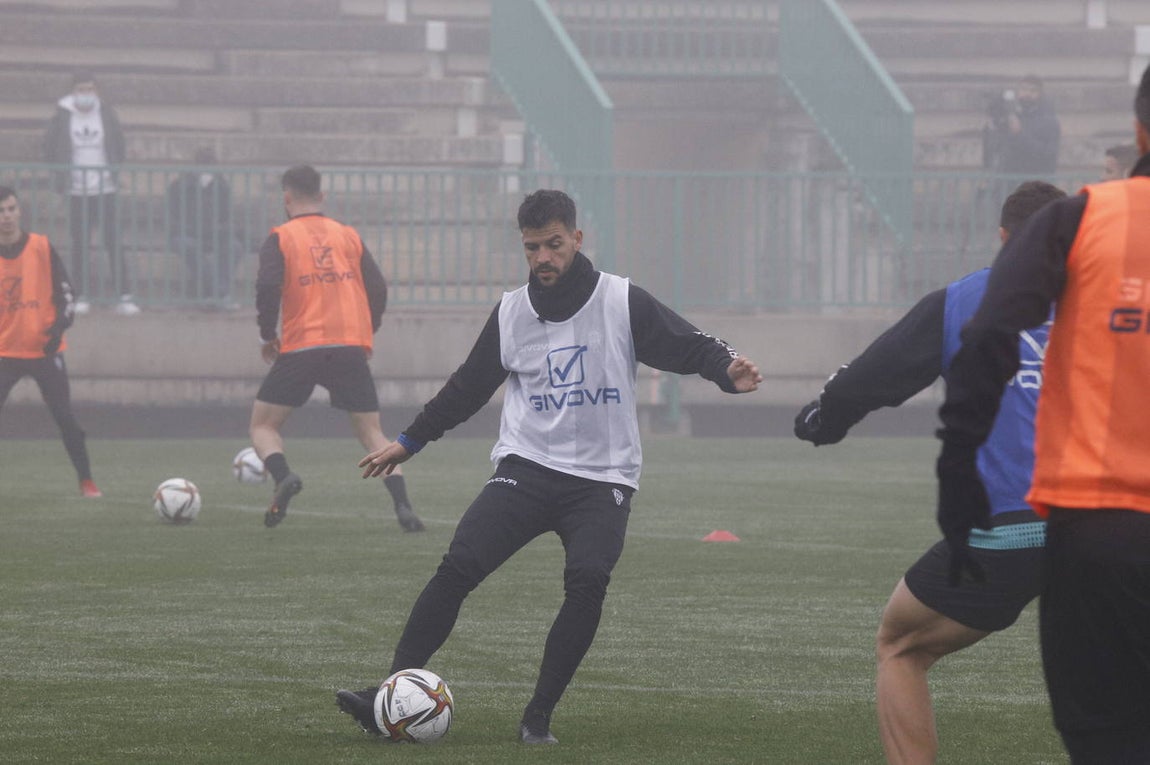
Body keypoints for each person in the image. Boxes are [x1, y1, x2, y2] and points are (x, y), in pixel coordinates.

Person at [333, 189, 763, 744]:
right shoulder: (512, 311)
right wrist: (410, 441)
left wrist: (728, 370)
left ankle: (538, 718)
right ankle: (388, 695)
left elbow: (689, 345)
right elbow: (467, 387)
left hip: (602, 479)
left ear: (576, 239)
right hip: (527, 469)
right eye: (533, 247)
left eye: (554, 244)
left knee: (587, 580)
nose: (543, 258)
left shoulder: (620, 300)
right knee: (458, 566)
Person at [794, 180, 1066, 764]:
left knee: (900, 644)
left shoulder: (964, 302)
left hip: (1010, 532)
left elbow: (868, 378)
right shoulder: (1120, 305)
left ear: (1002, 238)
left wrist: (824, 420)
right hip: (1109, 528)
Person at [936, 63, 1150, 763]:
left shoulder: (1081, 217)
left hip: (1100, 527)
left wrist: (958, 472)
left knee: (1106, 732)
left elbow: (990, 335)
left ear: (1138, 128)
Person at [250, 165, 422, 532]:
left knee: (263, 426)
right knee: (373, 434)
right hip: (348, 346)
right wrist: (367, 331)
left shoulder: (281, 237)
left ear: (286, 197)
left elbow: (267, 286)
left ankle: (283, 476)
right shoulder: (347, 235)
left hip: (302, 346)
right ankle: (403, 506)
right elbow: (378, 288)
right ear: (322, 196)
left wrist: (268, 333)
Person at [0, 185, 101, 498]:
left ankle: (87, 480)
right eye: (0, 211)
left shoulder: (41, 247)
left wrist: (59, 326)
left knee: (65, 418)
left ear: (19, 211)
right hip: (5, 352)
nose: (6, 217)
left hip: (45, 351)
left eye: (11, 209)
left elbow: (66, 292)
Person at [42, 70, 139, 317]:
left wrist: (114, 170)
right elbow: (51, 147)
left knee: (113, 242)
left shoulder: (106, 114)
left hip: (105, 189)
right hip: (76, 190)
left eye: (89, 89)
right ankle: (81, 295)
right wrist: (61, 177)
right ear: (73, 91)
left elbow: (118, 143)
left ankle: (124, 295)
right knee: (80, 244)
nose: (85, 94)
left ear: (96, 91)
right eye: (80, 90)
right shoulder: (62, 116)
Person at [166, 147, 243, 308]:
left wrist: (220, 230)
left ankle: (211, 294)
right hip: (186, 233)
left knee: (233, 247)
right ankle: (220, 294)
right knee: (188, 245)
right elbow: (172, 215)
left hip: (214, 235)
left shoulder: (222, 186)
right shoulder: (179, 185)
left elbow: (226, 217)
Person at [983, 74, 1061, 177]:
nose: (1027, 94)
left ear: (1040, 94)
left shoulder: (1049, 122)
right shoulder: (1010, 117)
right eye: (1023, 89)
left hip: (1035, 183)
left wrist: (1019, 134)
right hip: (1007, 183)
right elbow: (993, 147)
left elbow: (1047, 154)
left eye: (1033, 91)